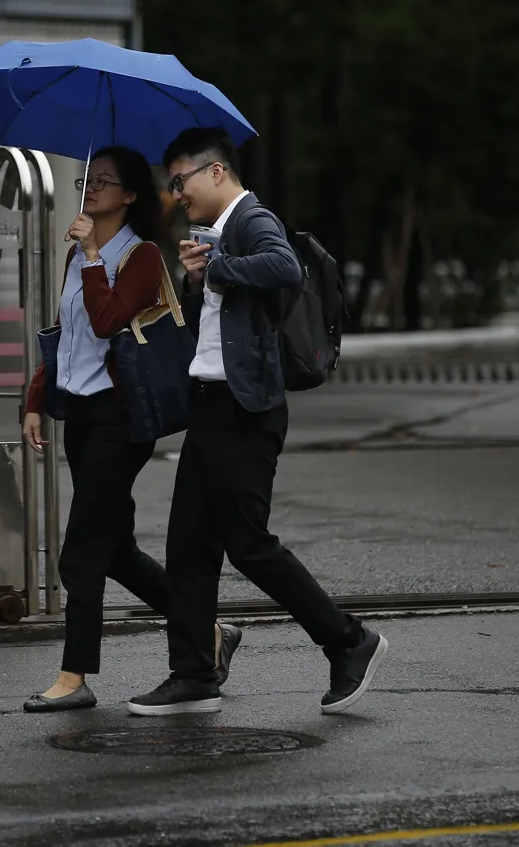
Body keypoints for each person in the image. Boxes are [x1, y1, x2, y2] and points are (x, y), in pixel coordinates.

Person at [126, 128, 386, 717]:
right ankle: (193, 673)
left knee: (248, 544)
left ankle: (349, 641)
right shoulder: (219, 234)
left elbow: (283, 267)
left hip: (245, 412)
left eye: (180, 180)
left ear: (216, 172)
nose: (176, 194)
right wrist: (199, 279)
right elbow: (218, 324)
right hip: (214, 406)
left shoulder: (250, 219)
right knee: (189, 544)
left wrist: (217, 266)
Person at [20, 145, 242, 712]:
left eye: (104, 181)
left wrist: (92, 254)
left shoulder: (140, 257)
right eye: (87, 181)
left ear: (131, 194)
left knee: (81, 552)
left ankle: (74, 678)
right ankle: (209, 632)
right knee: (115, 552)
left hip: (122, 420)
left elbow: (108, 319)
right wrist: (35, 399)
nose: (90, 189)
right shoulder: (79, 255)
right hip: (83, 415)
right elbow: (69, 335)